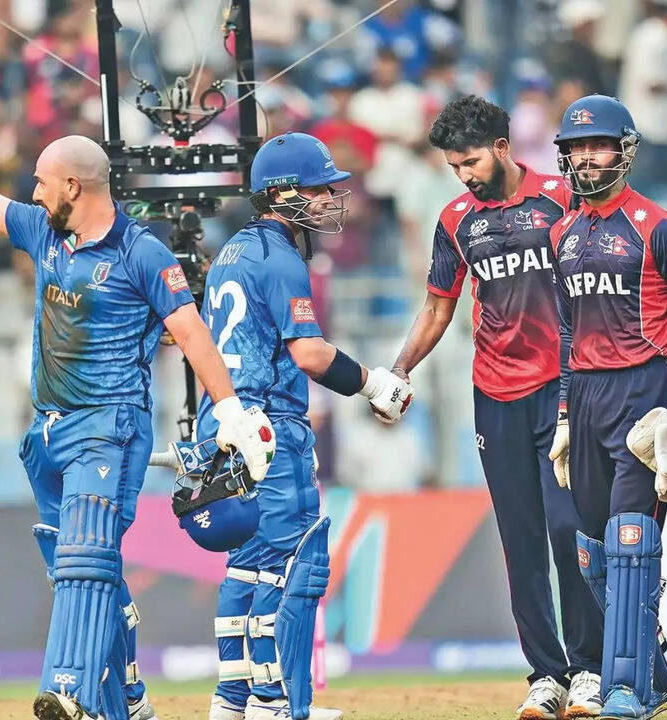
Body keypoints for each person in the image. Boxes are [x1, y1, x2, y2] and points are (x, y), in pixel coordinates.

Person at [0, 122, 278, 720]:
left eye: (42, 182)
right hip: (49, 431)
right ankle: (126, 701)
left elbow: (190, 332)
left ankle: (67, 691)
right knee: (81, 567)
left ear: (74, 186)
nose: (34, 192)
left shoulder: (141, 252)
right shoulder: (44, 232)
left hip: (110, 428)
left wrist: (229, 410)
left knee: (85, 560)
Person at [389, 96, 604, 720]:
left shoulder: (562, 198)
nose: (463, 176)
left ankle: (590, 670)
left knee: (569, 530)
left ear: (503, 149)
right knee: (520, 540)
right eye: (454, 166)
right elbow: (438, 307)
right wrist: (399, 370)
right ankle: (547, 677)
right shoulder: (455, 220)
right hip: (496, 396)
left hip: (564, 392)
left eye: (471, 162)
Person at [202, 132, 412, 720]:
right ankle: (275, 702)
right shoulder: (281, 257)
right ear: (281, 193)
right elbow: (310, 354)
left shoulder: (232, 252)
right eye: (318, 189)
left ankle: (232, 699)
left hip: (226, 425)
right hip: (269, 427)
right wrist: (375, 384)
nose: (329, 199)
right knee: (292, 565)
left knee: (245, 566)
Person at [549, 94, 667, 719]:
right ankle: (659, 672)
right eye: (576, 148)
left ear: (624, 152)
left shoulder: (659, 227)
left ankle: (626, 690)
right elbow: (567, 331)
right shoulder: (562, 233)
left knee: (630, 542)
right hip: (586, 397)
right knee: (594, 553)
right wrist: (564, 414)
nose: (586, 157)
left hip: (645, 395)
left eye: (598, 145)